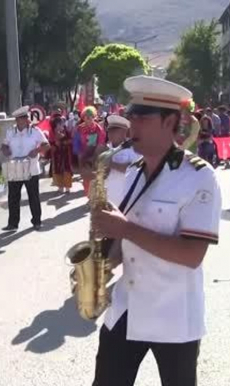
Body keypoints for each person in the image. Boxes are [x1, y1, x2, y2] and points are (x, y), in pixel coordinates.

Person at [90, 75, 222, 386]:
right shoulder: (134, 172)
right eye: (131, 115)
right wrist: (102, 264)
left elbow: (192, 254)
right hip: (128, 306)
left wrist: (125, 228)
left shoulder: (199, 178)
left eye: (141, 117)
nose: (131, 124)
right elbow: (126, 237)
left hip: (173, 314)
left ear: (170, 122)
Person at [1, 106, 50, 231]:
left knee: (33, 196)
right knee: (13, 197)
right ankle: (12, 223)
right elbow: (4, 145)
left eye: (26, 118)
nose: (26, 120)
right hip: (15, 168)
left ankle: (37, 221)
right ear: (17, 120)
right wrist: (6, 151)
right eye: (22, 118)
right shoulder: (10, 132)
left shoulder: (35, 131)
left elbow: (46, 145)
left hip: (31, 168)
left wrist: (37, 150)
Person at [104, 115, 138, 205]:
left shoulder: (134, 149)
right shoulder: (106, 149)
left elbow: (134, 170)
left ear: (124, 132)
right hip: (108, 195)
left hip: (125, 198)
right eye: (109, 131)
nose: (110, 134)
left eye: (114, 131)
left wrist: (111, 164)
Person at [77, 106, 107, 196]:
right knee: (86, 179)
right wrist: (80, 158)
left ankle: (95, 198)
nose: (89, 118)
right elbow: (76, 144)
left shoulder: (98, 129)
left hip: (96, 157)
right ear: (83, 117)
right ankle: (89, 197)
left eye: (91, 116)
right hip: (83, 156)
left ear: (94, 117)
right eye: (86, 116)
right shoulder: (79, 129)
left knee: (95, 179)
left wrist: (93, 158)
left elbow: (101, 144)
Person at [50, 115, 73, 194]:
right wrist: (56, 143)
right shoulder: (52, 133)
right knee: (57, 171)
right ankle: (60, 187)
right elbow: (50, 144)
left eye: (61, 124)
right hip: (56, 155)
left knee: (67, 170)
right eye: (58, 124)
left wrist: (63, 140)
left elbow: (71, 141)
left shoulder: (67, 132)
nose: (61, 126)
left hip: (66, 154)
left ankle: (67, 188)